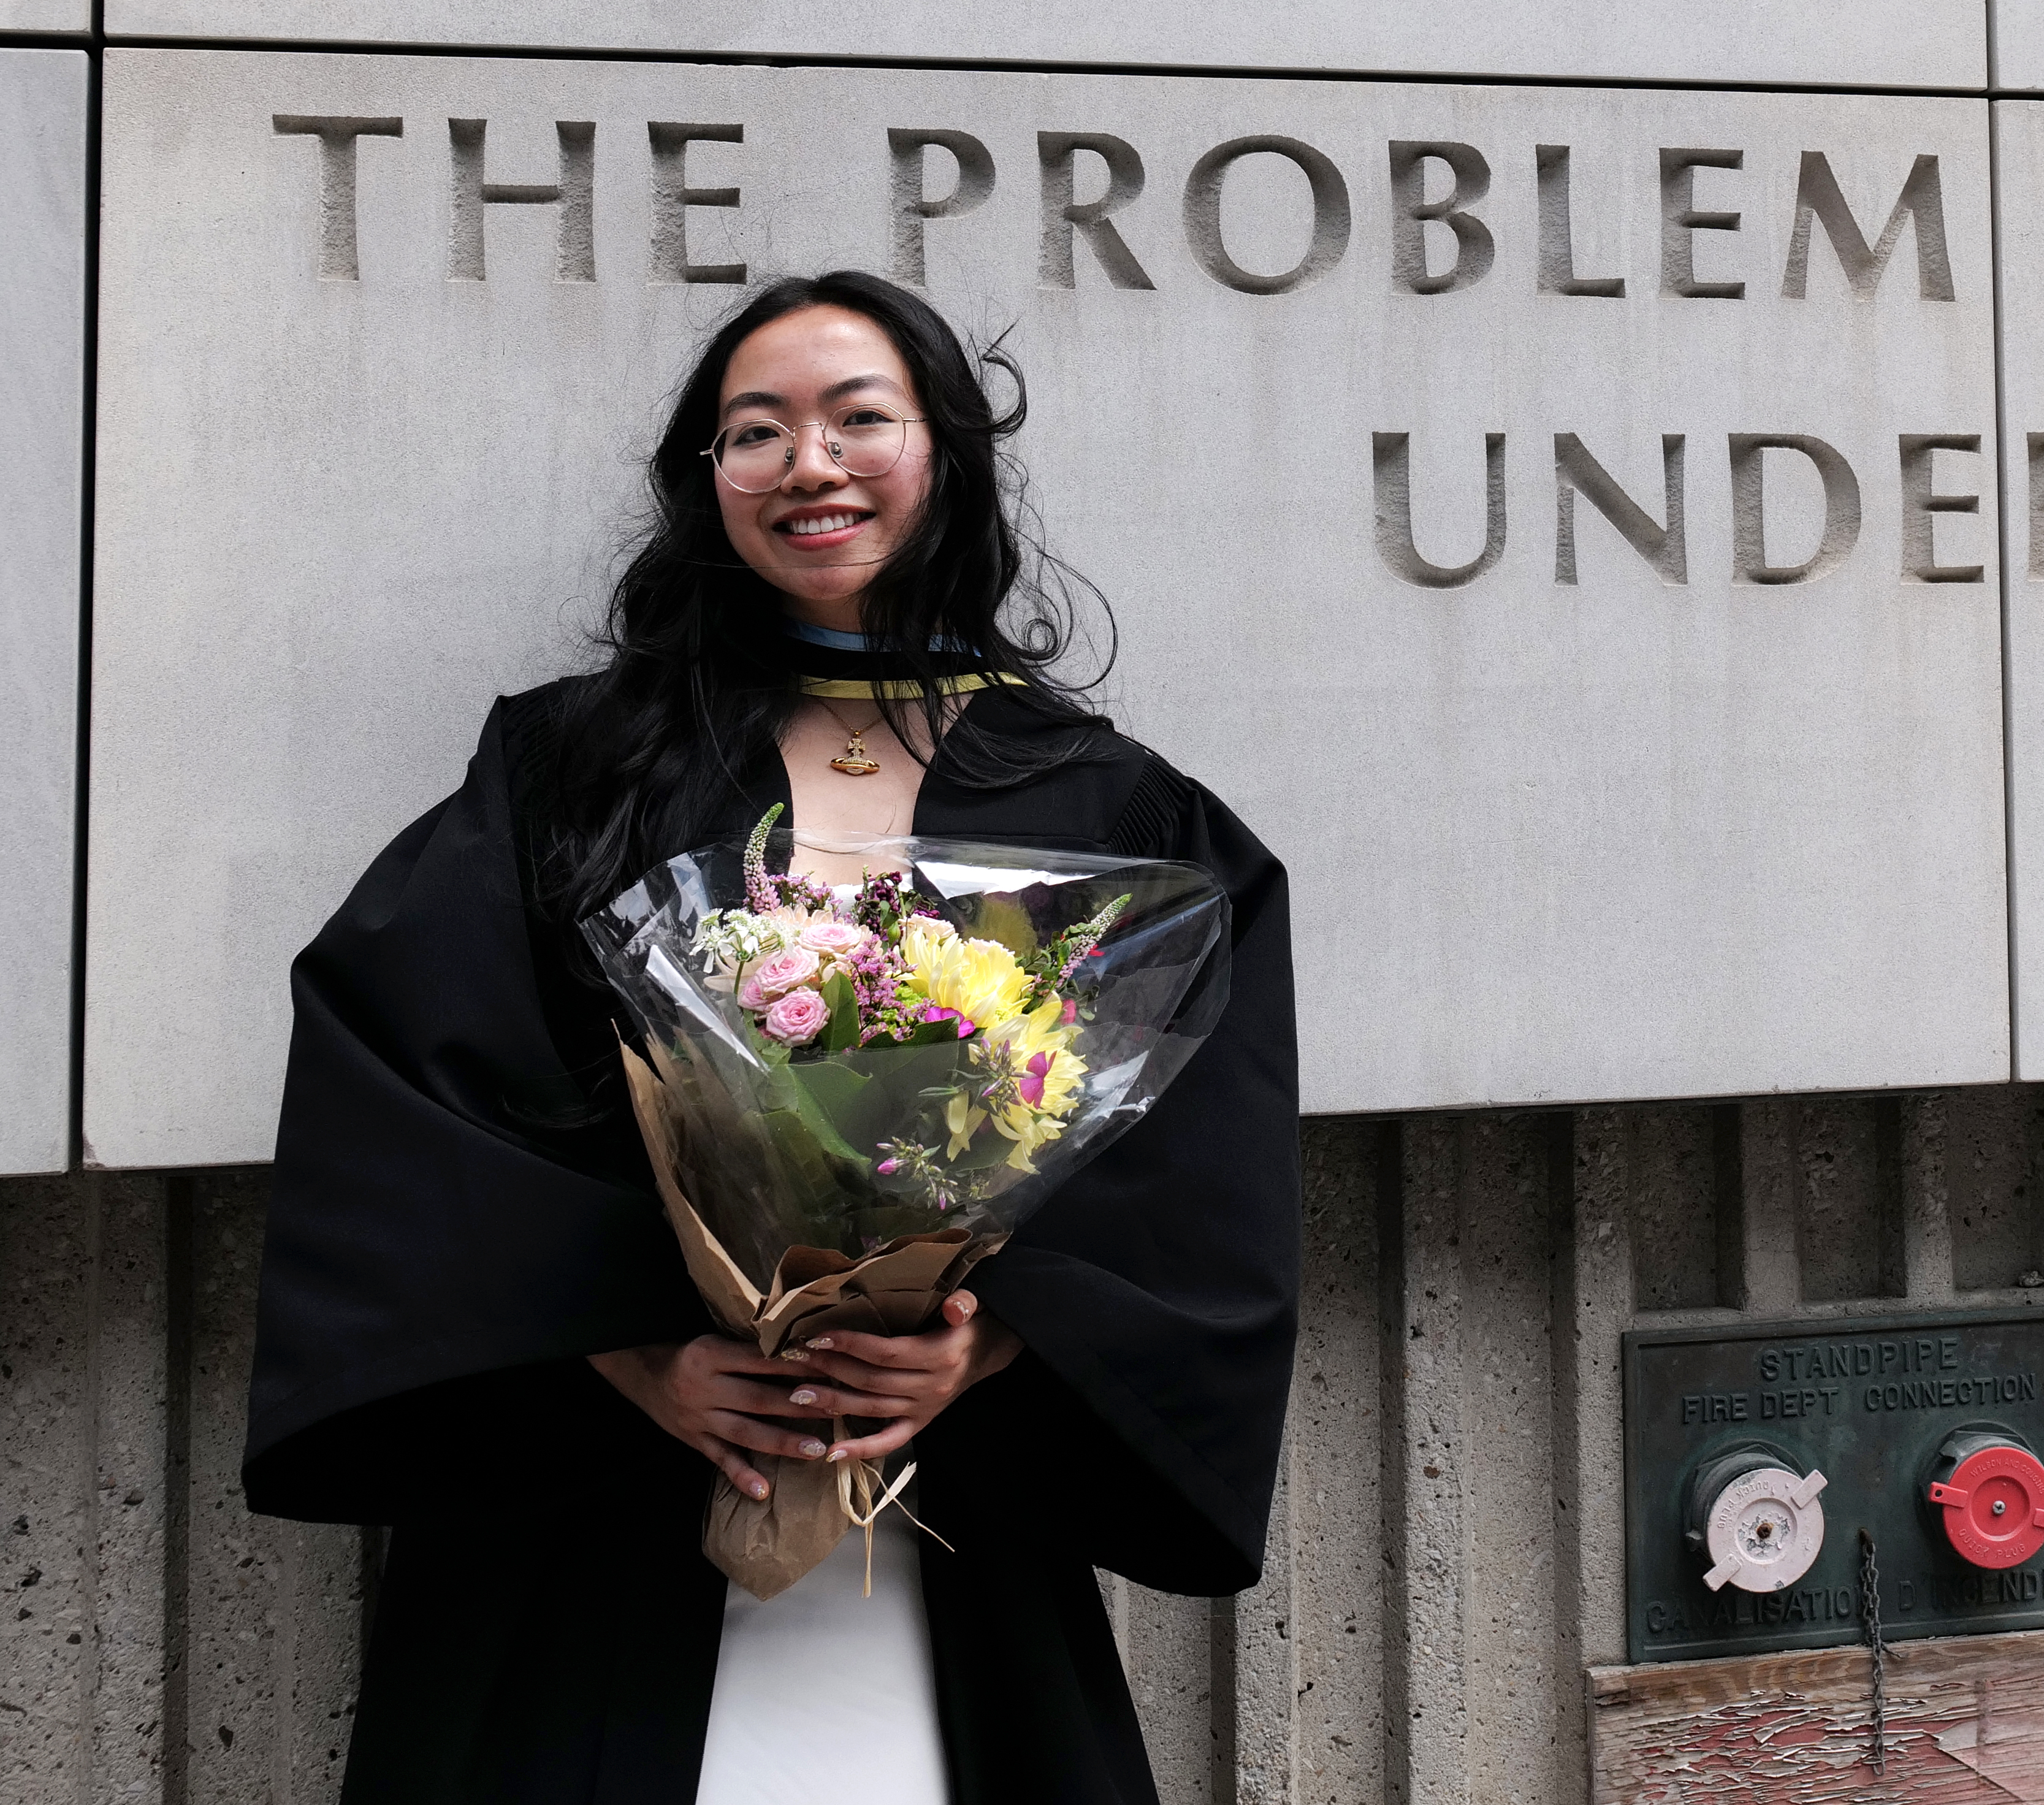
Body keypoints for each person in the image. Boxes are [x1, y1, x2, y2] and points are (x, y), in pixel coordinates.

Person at [242, 272, 1300, 1803]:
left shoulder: (1101, 804)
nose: (809, 464)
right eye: (756, 432)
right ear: (707, 482)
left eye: (857, 419)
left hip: (946, 1512)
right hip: (597, 1516)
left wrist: (983, 1347)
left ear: (943, 453)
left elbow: (1200, 1176)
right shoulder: (574, 763)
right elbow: (404, 1089)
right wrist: (636, 1358)